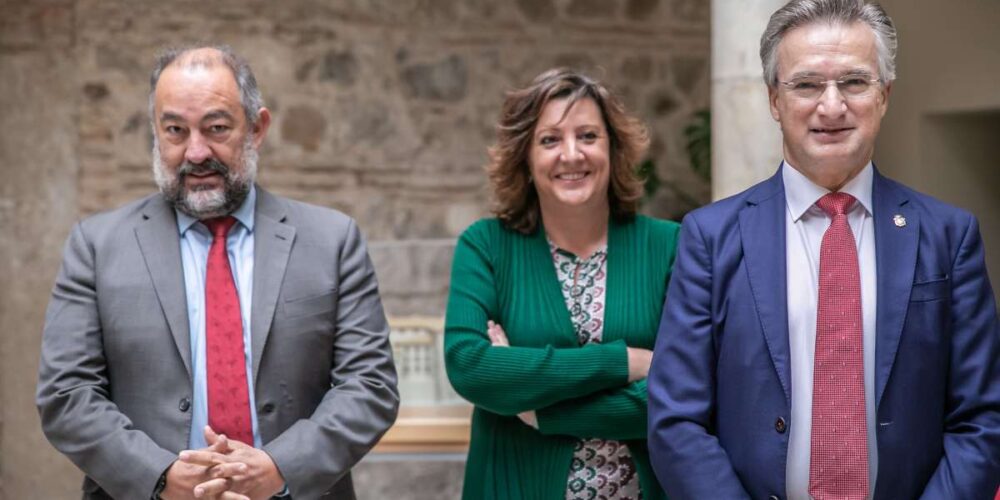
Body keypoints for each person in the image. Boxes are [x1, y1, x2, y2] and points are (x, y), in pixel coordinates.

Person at [647, 0, 1000, 498]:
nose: (831, 106)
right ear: (774, 100)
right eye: (807, 84)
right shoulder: (709, 237)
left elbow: (982, 417)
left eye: (854, 82)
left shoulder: (949, 236)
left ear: (884, 95)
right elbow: (676, 421)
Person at [36, 45, 398, 500]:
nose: (196, 151)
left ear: (258, 127)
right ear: (155, 132)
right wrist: (161, 476)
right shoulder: (95, 246)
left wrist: (280, 468)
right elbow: (66, 394)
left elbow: (370, 385)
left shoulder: (332, 241)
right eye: (174, 130)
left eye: (217, 128)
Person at [444, 68, 680, 500]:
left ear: (614, 148)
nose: (571, 155)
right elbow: (470, 366)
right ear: (526, 158)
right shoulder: (486, 246)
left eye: (588, 136)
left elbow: (682, 391)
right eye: (550, 140)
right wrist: (624, 363)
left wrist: (538, 410)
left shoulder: (668, 245)